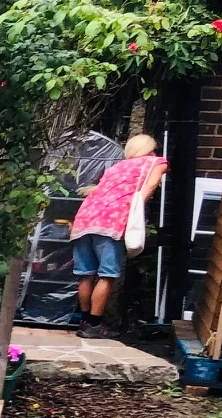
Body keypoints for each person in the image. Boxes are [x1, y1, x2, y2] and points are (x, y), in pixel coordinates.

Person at [69, 133, 166, 339]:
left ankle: (85, 321)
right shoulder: (157, 162)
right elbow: (149, 187)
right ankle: (95, 324)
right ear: (149, 150)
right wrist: (137, 209)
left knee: (85, 274)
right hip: (111, 222)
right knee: (107, 274)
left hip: (84, 219)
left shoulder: (116, 167)